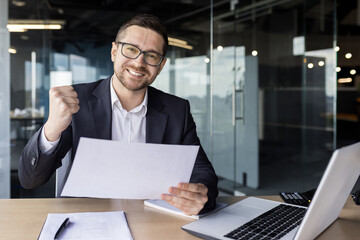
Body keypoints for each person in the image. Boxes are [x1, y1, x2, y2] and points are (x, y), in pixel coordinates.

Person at [18, 14, 218, 215]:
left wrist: (201, 195)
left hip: (154, 220)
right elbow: (30, 179)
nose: (139, 63)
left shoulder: (177, 110)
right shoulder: (77, 101)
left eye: (151, 55)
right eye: (131, 49)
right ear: (114, 51)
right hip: (87, 221)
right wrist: (52, 128)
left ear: (161, 65)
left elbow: (202, 171)